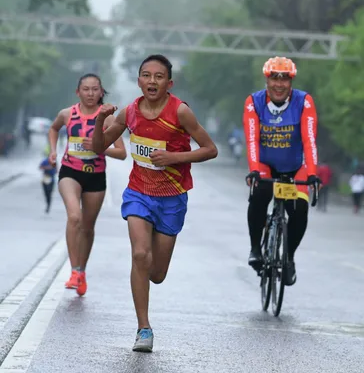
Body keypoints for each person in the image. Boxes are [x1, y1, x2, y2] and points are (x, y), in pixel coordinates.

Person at [92, 54, 218, 352]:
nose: (152, 81)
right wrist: (99, 121)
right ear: (138, 81)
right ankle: (143, 328)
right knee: (140, 255)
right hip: (138, 193)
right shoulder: (130, 112)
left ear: (168, 83)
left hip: (172, 198)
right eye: (146, 75)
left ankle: (144, 281)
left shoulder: (181, 112)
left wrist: (174, 158)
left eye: (158, 76)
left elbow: (210, 149)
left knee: (157, 273)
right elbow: (99, 147)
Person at [243, 56, 321, 286]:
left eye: (284, 79)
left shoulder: (304, 101)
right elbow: (251, 140)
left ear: (291, 82)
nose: (279, 84)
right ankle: (256, 248)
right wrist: (255, 170)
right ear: (266, 80)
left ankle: (289, 257)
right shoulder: (253, 102)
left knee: (299, 210)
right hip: (266, 165)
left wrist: (313, 173)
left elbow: (309, 140)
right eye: (274, 78)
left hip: (296, 167)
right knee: (258, 195)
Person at [48, 73, 127, 296]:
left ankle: (81, 271)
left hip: (95, 176)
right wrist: (53, 151)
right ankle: (74, 271)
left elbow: (122, 154)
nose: (90, 94)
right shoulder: (67, 114)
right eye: (86, 89)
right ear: (78, 92)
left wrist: (98, 147)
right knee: (74, 217)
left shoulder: (108, 120)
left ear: (101, 92)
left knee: (88, 227)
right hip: (70, 172)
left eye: (95, 89)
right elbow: (54, 129)